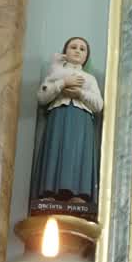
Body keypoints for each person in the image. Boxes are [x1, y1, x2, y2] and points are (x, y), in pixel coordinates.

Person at [33, 37, 103, 203]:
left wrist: (80, 94)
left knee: (79, 152)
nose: (78, 51)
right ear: (65, 52)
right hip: (59, 117)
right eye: (73, 47)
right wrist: (63, 83)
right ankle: (48, 192)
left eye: (82, 49)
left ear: (86, 56)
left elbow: (99, 105)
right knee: (55, 149)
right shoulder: (55, 73)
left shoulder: (89, 79)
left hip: (82, 121)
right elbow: (42, 96)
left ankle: (79, 194)